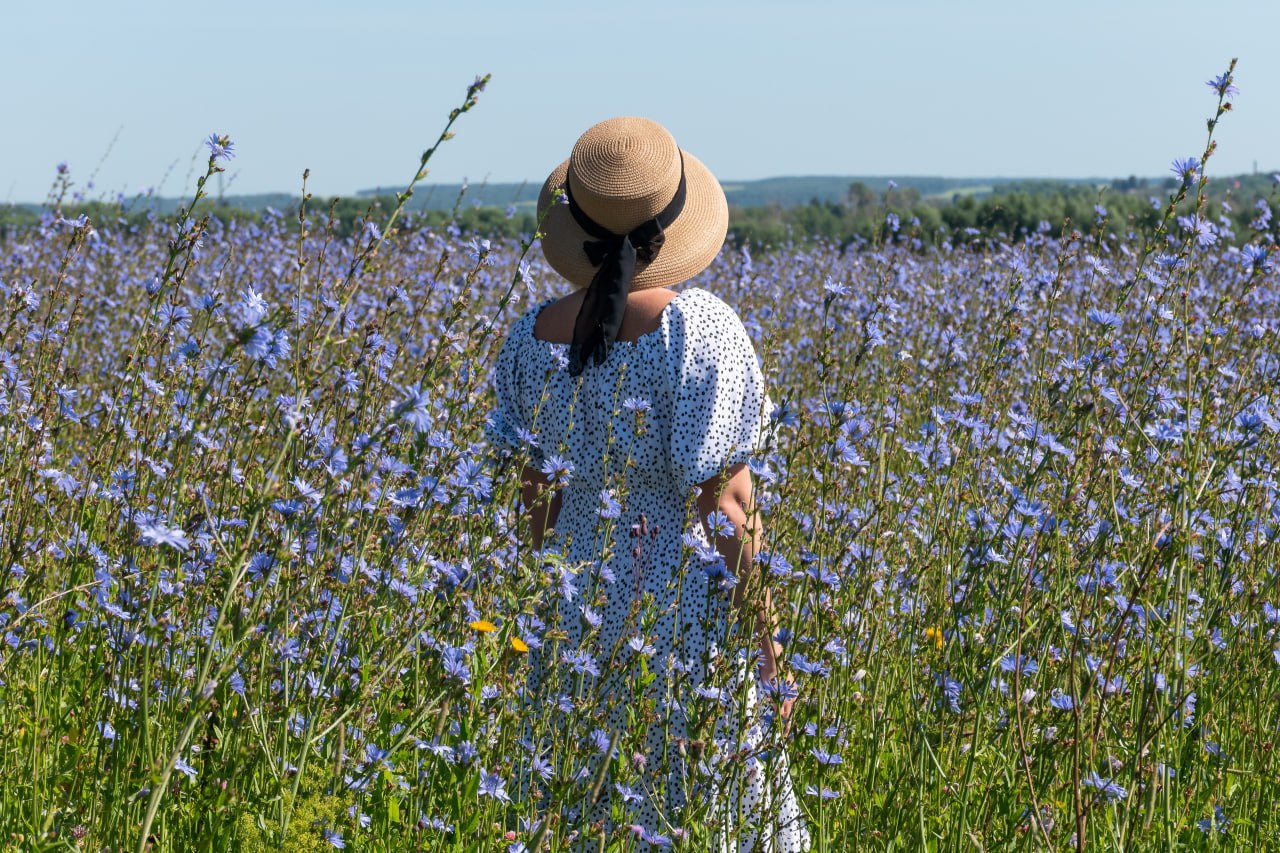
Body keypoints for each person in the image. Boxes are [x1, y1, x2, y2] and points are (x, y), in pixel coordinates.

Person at [487, 116, 810, 851]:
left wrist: (545, 618)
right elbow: (727, 507)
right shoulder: (699, 333)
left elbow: (536, 504)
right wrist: (770, 651)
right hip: (680, 627)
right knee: (699, 812)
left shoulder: (529, 341)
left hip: (573, 621)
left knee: (581, 805)